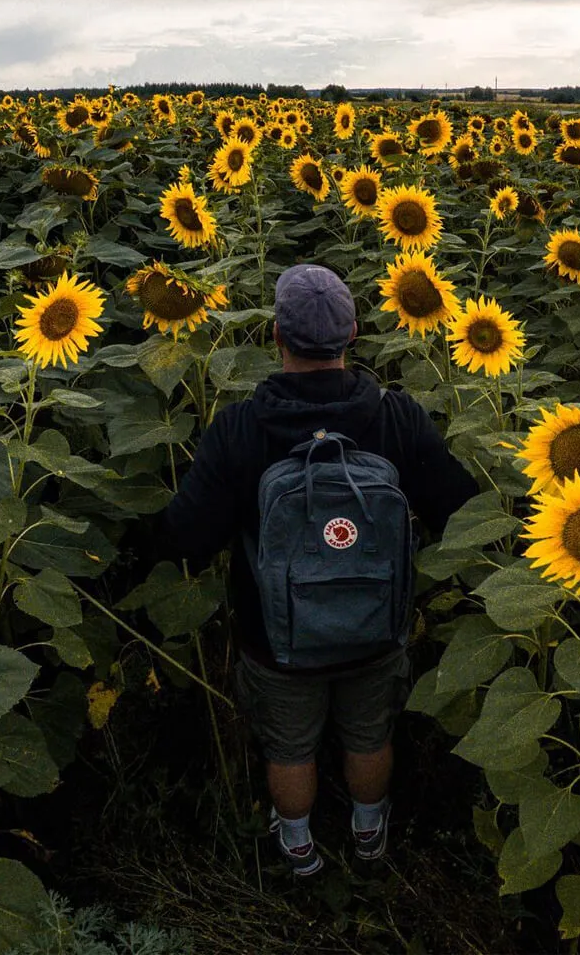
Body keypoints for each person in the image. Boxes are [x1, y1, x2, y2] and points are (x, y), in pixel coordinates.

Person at [156, 264, 478, 876]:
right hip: (376, 627)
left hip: (276, 639)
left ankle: (299, 847)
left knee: (290, 745)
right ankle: (368, 833)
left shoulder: (241, 428)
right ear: (353, 333)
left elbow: (188, 536)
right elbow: (460, 514)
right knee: (369, 734)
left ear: (276, 336)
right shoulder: (397, 417)